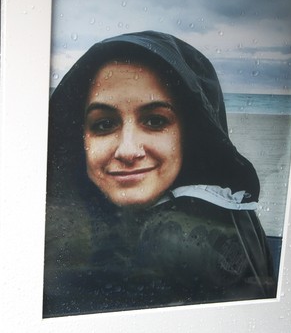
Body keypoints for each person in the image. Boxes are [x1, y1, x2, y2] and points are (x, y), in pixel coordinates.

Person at [43, 30, 276, 317]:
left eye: (155, 121)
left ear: (191, 134)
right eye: (103, 124)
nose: (128, 150)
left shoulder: (186, 243)